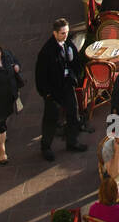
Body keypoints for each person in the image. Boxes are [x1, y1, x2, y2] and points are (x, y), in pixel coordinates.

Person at [35, 18, 86, 160]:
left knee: (73, 114)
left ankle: (72, 141)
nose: (65, 35)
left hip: (67, 85)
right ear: (55, 33)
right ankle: (46, 147)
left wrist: (74, 75)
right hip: (53, 91)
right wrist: (47, 94)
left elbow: (75, 61)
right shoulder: (46, 52)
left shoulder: (67, 43)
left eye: (67, 32)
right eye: (62, 33)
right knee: (51, 120)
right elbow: (40, 76)